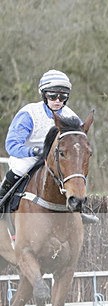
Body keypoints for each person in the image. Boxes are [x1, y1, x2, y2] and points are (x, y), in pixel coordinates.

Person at [2, 69, 98, 223]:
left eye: (63, 96)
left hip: (57, 158)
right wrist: (34, 150)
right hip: (29, 156)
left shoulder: (71, 117)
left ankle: (79, 208)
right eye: (52, 96)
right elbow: (11, 145)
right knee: (20, 168)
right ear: (44, 95)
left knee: (75, 170)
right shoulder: (29, 114)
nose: (58, 100)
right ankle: (2, 203)